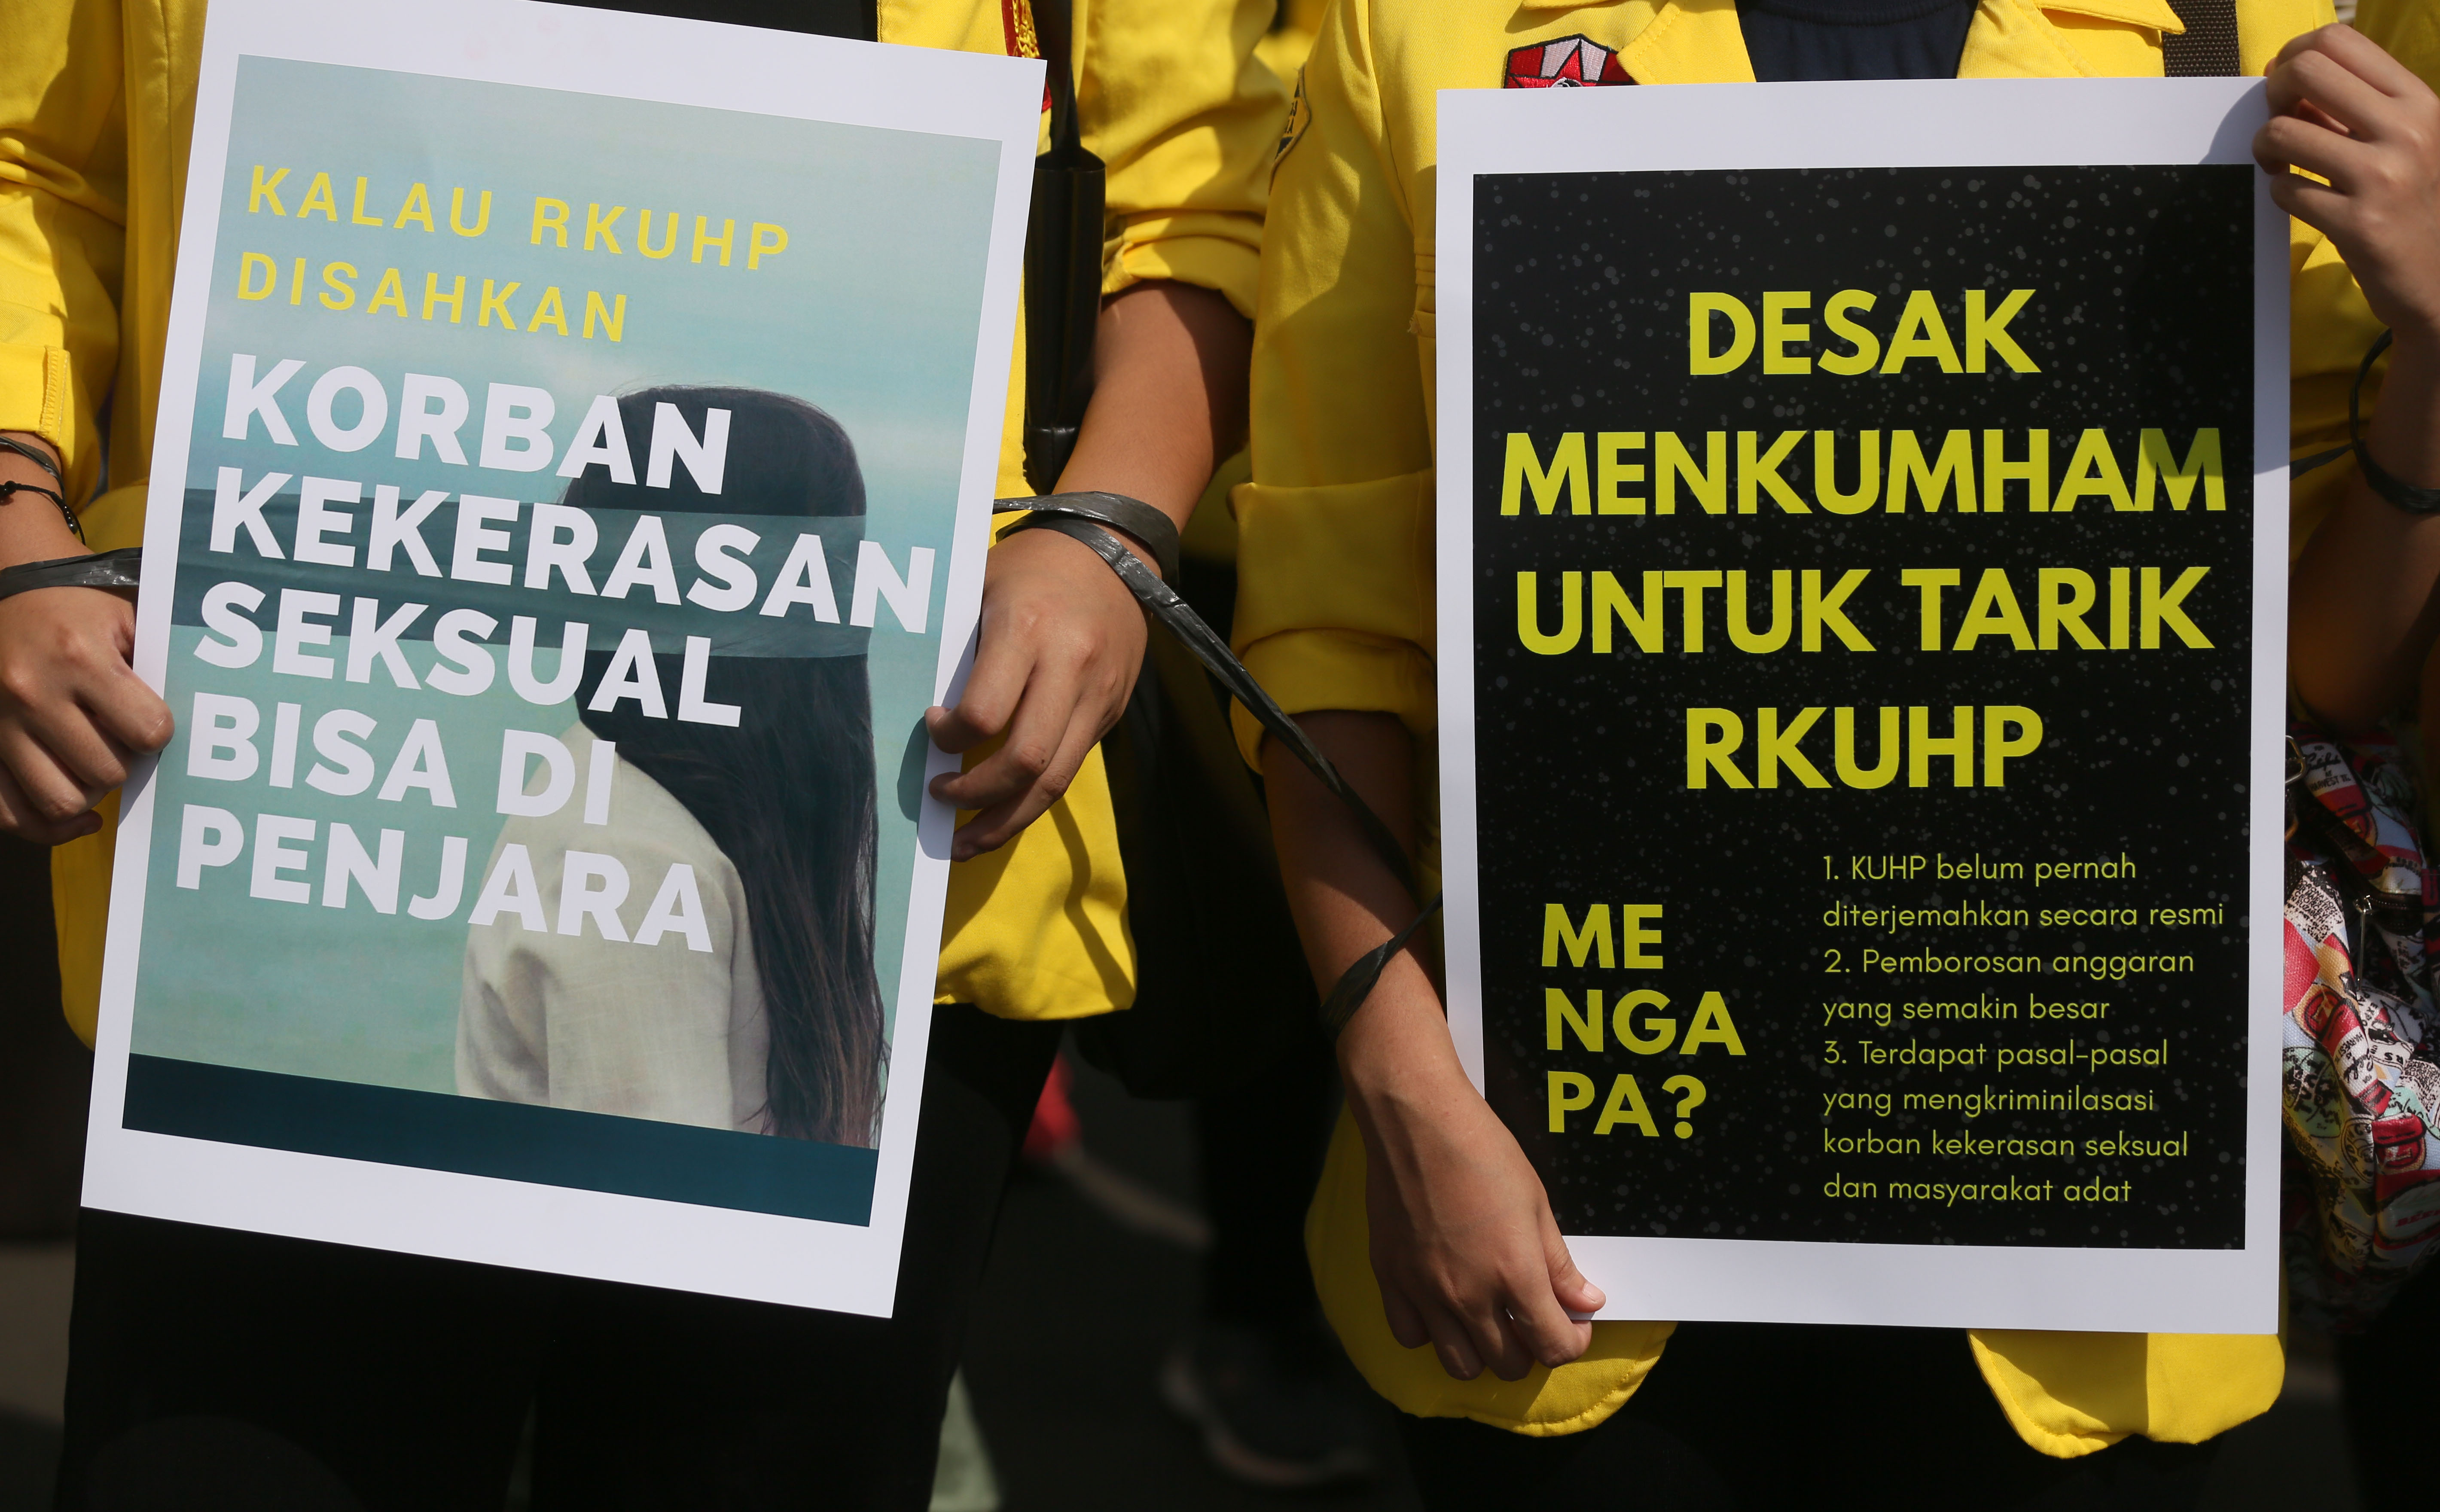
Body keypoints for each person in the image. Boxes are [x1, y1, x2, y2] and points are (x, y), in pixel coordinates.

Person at [0, 1, 1280, 1507]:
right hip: (263, 865)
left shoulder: (621, 831)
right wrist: (13, 500)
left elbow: (1197, 200)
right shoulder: (643, 834)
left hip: (941, 845)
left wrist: (1111, 525)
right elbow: (32, 156)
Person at [1235, 0, 2440, 1506]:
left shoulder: (2237, 40)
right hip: (1564, 1230)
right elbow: (1326, 643)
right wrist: (1406, 1094)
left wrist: (2436, 353)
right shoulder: (1421, 33)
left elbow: (2316, 681)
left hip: (2077, 1242)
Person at [458, 387, 888, 1143]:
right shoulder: (630, 853)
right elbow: (649, 1201)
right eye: (835, 566)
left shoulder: (661, 816)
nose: (858, 604)